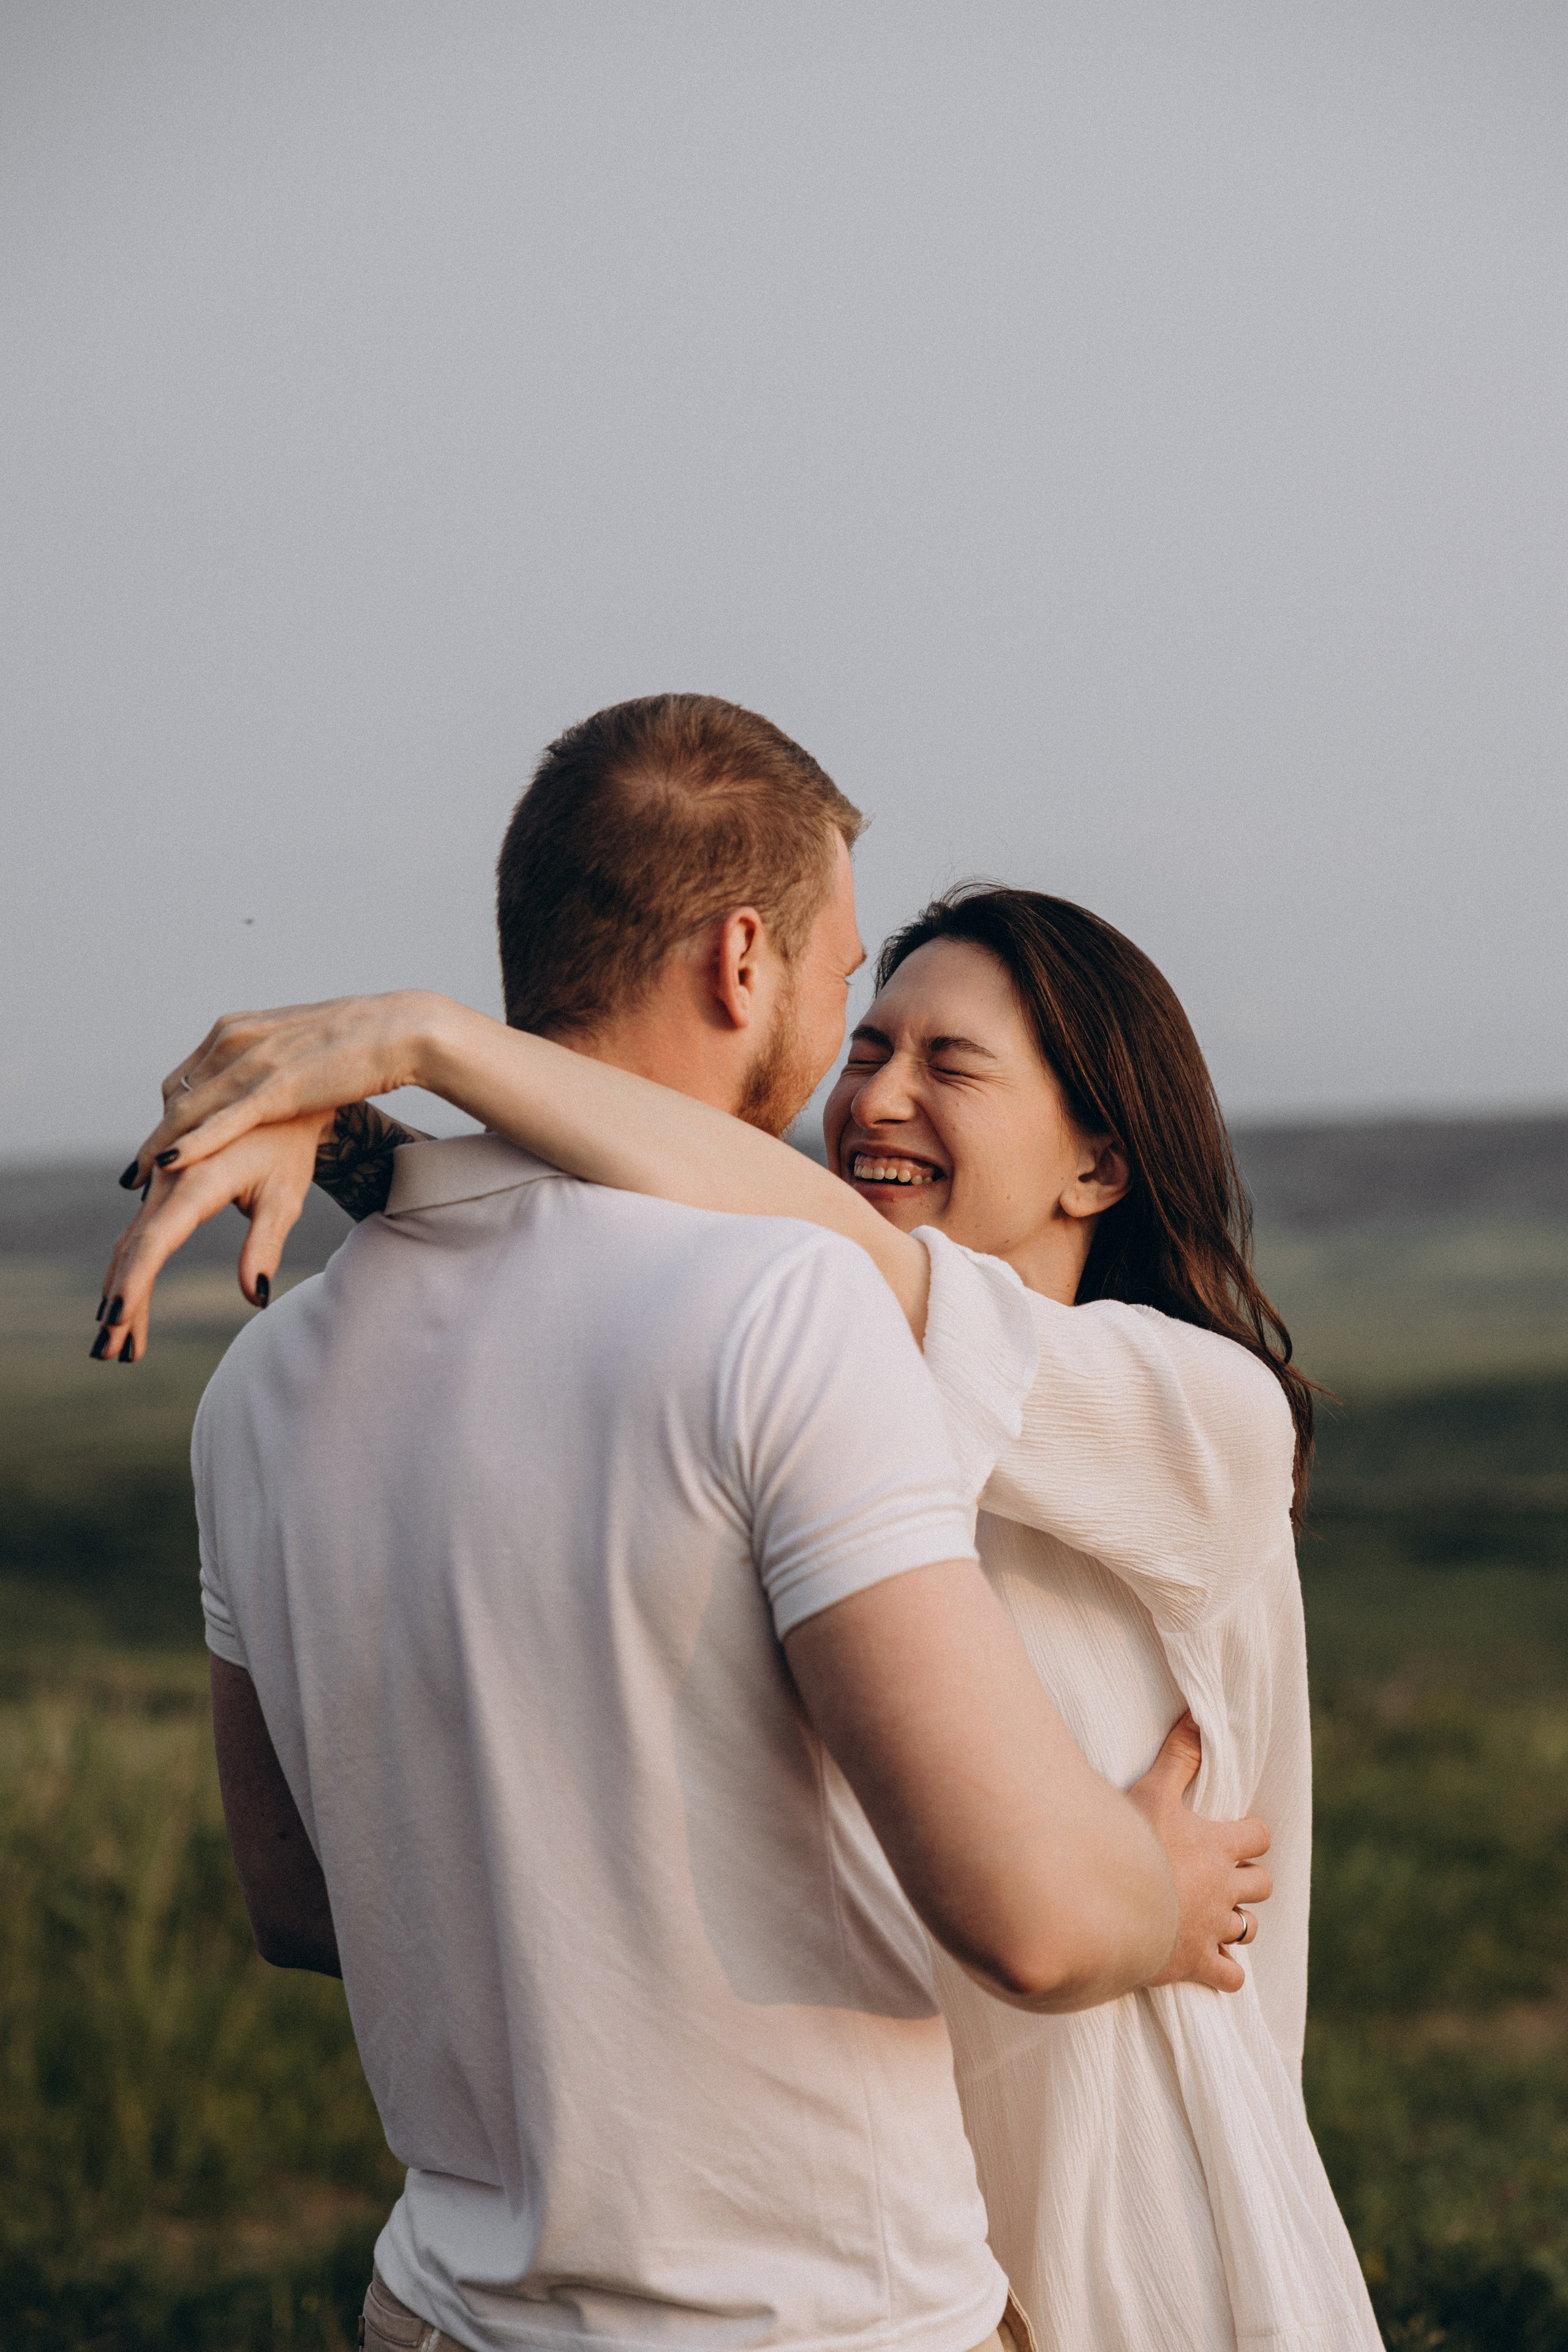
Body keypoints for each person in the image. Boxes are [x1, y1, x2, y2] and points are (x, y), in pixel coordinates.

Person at [106, 696, 1272, 2352]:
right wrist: (1149, 1887)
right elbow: (1037, 1916)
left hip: (443, 2310)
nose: (865, 1078)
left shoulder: (261, 1388)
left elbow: (301, 1902)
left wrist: (396, 1104)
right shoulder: (787, 1312)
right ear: (744, 961)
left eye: (947, 1061)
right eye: (851, 1000)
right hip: (816, 2314)